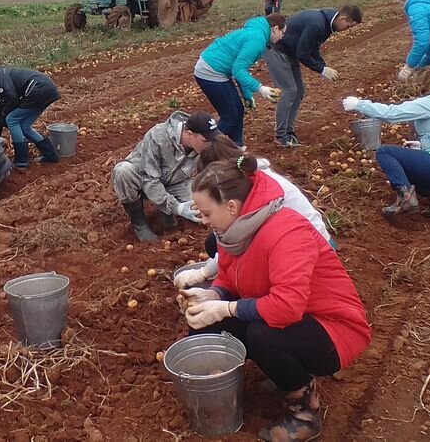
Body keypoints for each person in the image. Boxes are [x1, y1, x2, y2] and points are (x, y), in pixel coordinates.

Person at [179, 158, 371, 441]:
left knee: (263, 335)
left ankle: (304, 411)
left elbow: (287, 308)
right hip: (287, 314)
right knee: (203, 320)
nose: (204, 221)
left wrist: (227, 307)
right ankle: (237, 382)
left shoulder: (287, 231)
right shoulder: (233, 231)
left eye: (207, 213)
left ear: (231, 207)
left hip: (332, 329)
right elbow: (230, 276)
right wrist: (212, 294)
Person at [174, 136, 335, 289]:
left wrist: (205, 273)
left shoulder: (259, 193)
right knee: (213, 242)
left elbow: (243, 240)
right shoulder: (246, 181)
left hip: (315, 249)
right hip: (302, 239)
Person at [343, 63, 430, 218]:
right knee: (406, 164)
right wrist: (424, 145)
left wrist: (360, 104)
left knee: (385, 152)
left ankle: (406, 199)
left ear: (421, 85)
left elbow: (392, 114)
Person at [112, 111, 219, 241]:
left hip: (175, 182)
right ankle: (139, 223)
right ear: (189, 134)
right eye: (205, 140)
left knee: (198, 202)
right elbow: (150, 179)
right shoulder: (158, 136)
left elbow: (224, 159)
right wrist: (177, 207)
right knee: (123, 171)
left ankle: (164, 212)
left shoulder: (203, 140)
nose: (210, 144)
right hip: (143, 179)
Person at [266, 5, 363, 147]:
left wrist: (323, 65)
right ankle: (281, 135)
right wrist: (321, 70)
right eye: (348, 26)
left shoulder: (328, 23)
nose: (347, 29)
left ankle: (289, 131)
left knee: (299, 92)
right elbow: (303, 53)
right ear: (343, 18)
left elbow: (313, 47)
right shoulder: (316, 24)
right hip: (277, 51)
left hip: (290, 52)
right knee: (289, 91)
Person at [194, 15, 285, 146]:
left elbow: (239, 68)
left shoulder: (257, 34)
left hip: (216, 70)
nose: (282, 37)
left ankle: (237, 147)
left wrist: (247, 95)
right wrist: (261, 89)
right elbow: (238, 70)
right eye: (282, 33)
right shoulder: (257, 39)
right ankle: (204, 150)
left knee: (238, 110)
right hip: (210, 71)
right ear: (275, 29)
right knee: (230, 115)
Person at [0, 65, 60, 170]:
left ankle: (21, 161)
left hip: (37, 88)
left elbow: (12, 99)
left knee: (12, 120)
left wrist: (5, 115)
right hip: (45, 88)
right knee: (24, 126)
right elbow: (0, 108)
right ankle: (50, 154)